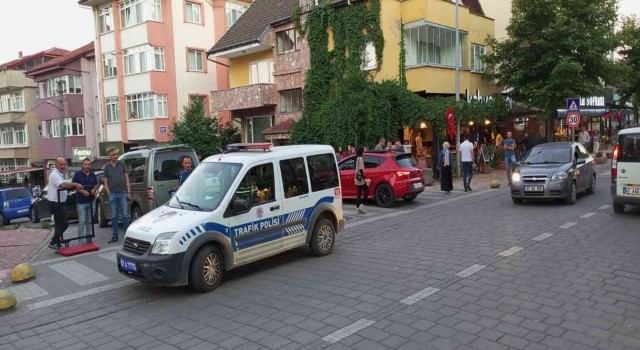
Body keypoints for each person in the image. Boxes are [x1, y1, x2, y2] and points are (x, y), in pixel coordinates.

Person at [47, 158, 83, 251]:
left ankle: (57, 244)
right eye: (61, 164)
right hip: (56, 203)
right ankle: (53, 242)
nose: (63, 166)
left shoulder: (59, 174)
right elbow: (63, 185)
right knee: (64, 224)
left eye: (64, 164)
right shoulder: (54, 175)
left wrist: (74, 187)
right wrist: (75, 185)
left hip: (60, 202)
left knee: (59, 225)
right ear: (56, 165)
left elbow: (65, 185)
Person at [103, 147, 131, 244]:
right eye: (113, 154)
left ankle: (127, 236)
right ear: (109, 156)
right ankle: (115, 236)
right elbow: (105, 181)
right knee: (114, 216)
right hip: (113, 193)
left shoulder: (121, 164)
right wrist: (109, 192)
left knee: (125, 215)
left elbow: (126, 178)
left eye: (116, 154)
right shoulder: (107, 167)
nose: (116, 156)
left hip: (123, 192)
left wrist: (128, 191)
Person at [72, 158, 99, 243]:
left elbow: (96, 184)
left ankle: (89, 239)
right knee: (82, 222)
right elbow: (73, 187)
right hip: (81, 202)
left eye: (89, 164)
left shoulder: (92, 174)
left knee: (90, 221)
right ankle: (81, 241)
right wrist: (82, 191)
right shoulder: (77, 174)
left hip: (91, 201)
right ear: (82, 165)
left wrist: (94, 190)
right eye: (85, 164)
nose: (87, 166)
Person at [354, 147, 369, 214]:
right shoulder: (360, 158)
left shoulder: (356, 157)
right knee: (366, 192)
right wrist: (364, 179)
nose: (364, 153)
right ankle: (361, 206)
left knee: (359, 193)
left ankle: (358, 208)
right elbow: (361, 170)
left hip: (356, 177)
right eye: (363, 151)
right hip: (360, 178)